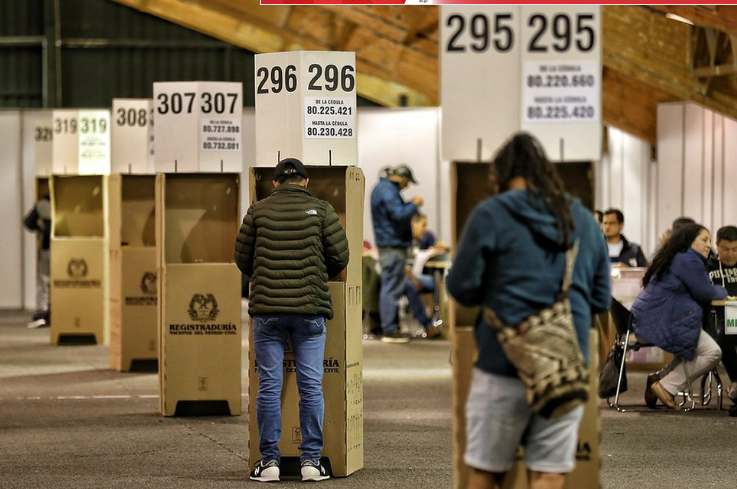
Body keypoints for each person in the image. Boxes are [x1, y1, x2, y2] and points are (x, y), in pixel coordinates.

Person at [446, 133, 610, 489]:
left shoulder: (490, 215)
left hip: (501, 362)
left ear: (500, 176)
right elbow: (599, 300)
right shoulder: (582, 219)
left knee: (487, 472)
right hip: (563, 367)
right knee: (549, 473)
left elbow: (461, 288)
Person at [234, 158, 349, 483]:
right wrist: (314, 276)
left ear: (274, 183)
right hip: (310, 310)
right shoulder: (323, 209)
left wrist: (266, 274)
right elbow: (341, 256)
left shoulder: (257, 211)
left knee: (269, 386)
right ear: (306, 181)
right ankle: (311, 462)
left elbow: (241, 258)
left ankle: (268, 463)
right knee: (311, 386)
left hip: (268, 310)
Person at [633, 224, 727, 411]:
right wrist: (722, 291)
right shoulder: (689, 260)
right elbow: (705, 292)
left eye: (709, 241)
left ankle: (659, 378)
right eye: (704, 239)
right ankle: (666, 387)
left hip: (652, 319)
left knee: (690, 348)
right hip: (663, 321)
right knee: (712, 352)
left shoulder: (679, 257)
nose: (709, 245)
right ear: (689, 241)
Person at [370, 164, 423, 343]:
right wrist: (413, 204)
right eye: (407, 182)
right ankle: (390, 330)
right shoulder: (387, 190)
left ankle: (391, 327)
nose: (406, 186)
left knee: (390, 288)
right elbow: (399, 215)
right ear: (400, 177)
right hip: (392, 246)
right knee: (391, 289)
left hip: (390, 246)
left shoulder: (383, 189)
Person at [707, 225, 737, 413]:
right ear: (717, 246)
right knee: (725, 335)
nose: (730, 254)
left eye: (735, 249)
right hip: (718, 319)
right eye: (725, 249)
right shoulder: (707, 266)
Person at [405, 213, 443, 338]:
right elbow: (403, 266)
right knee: (411, 285)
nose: (425, 228)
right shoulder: (405, 240)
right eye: (423, 225)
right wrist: (413, 278)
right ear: (413, 224)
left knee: (439, 283)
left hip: (421, 274)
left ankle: (438, 318)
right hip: (408, 276)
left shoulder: (427, 237)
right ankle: (430, 324)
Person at [23, 194, 51, 329]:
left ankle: (42, 313)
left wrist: (40, 228)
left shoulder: (42, 204)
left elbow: (28, 222)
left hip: (47, 247)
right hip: (69, 248)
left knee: (44, 281)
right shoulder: (70, 201)